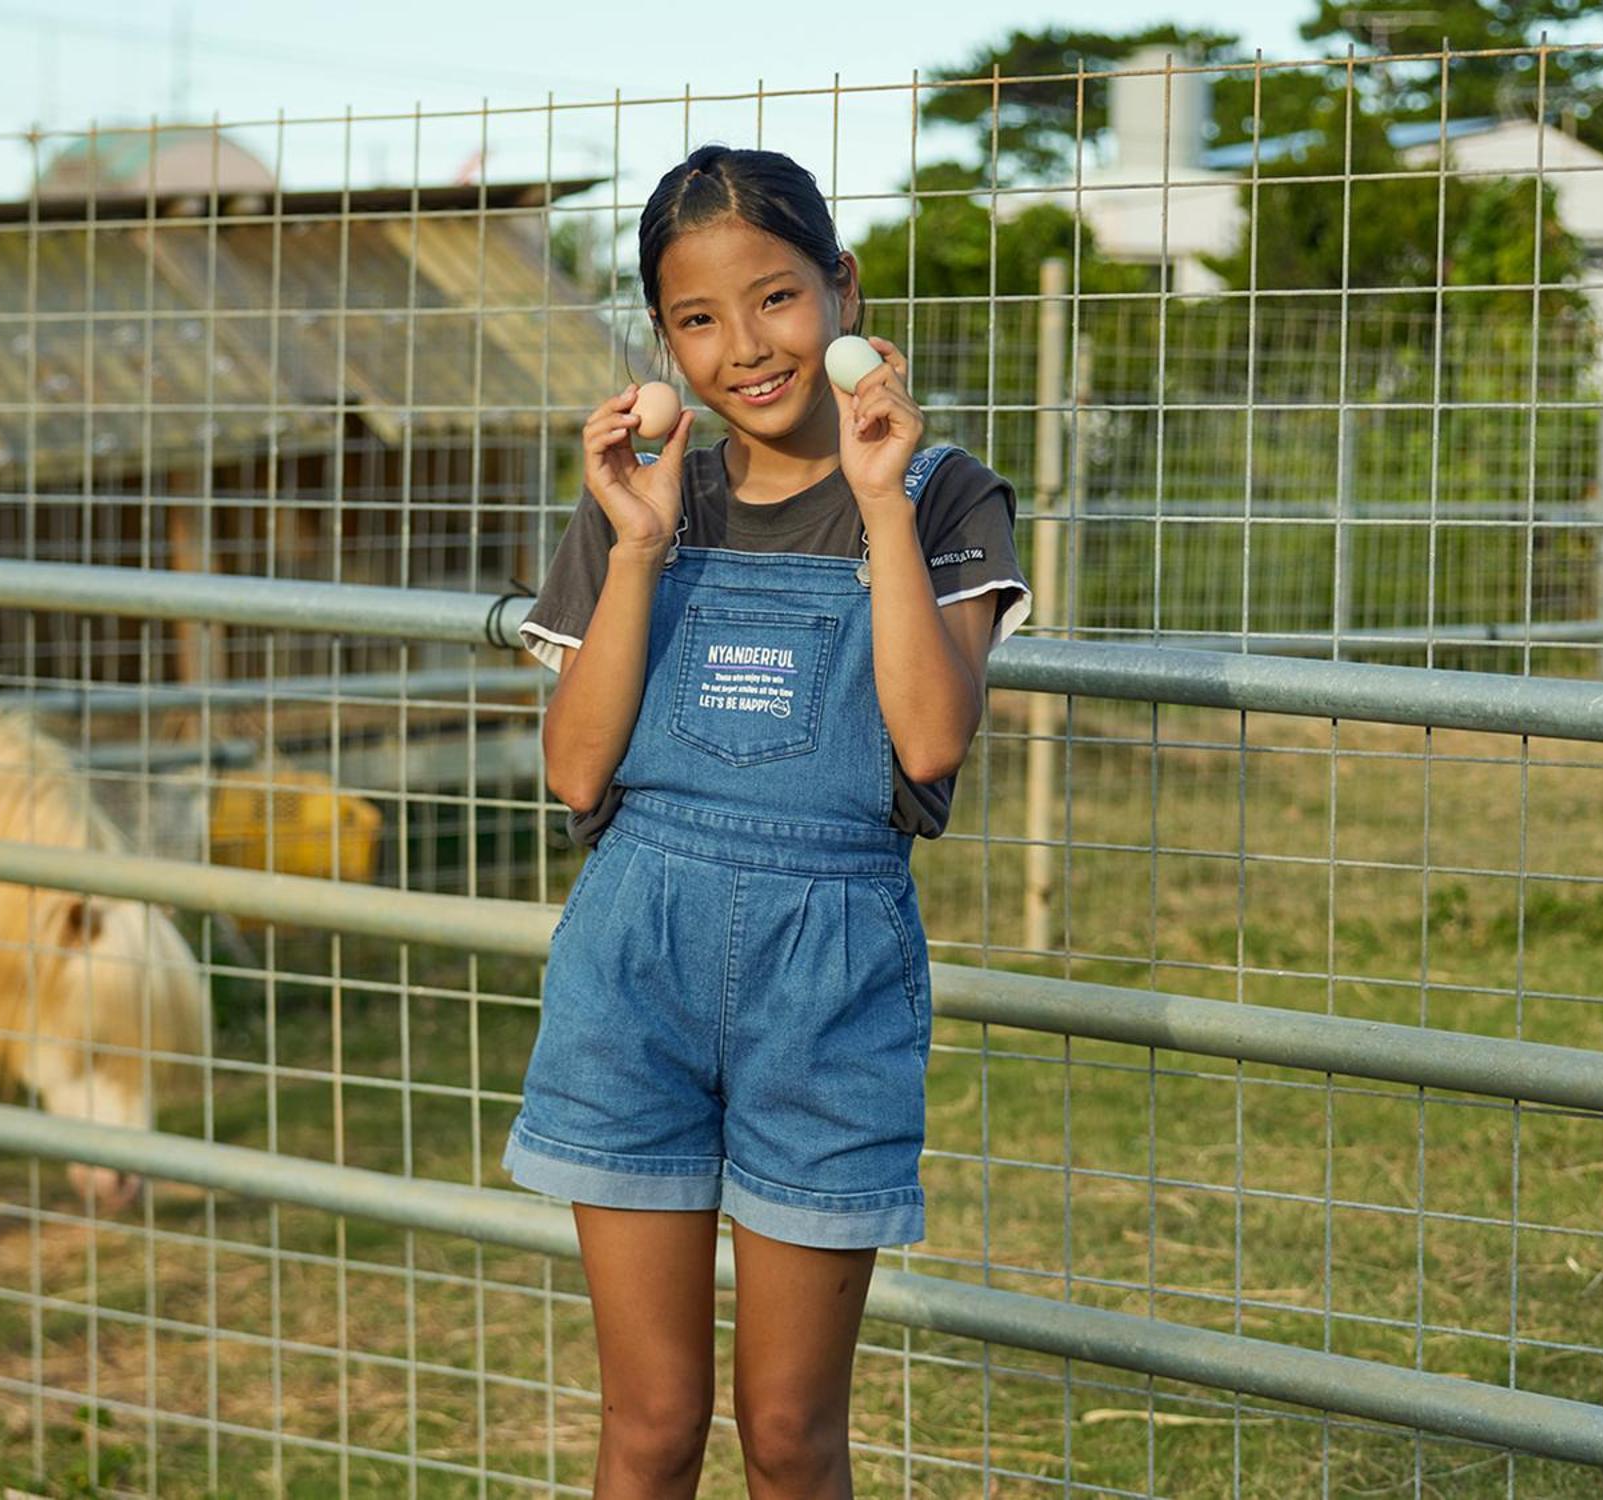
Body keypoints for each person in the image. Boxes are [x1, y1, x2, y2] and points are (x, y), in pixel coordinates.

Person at [501, 143, 1031, 1498]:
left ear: (844, 292)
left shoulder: (944, 494)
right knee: (651, 1429)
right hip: (636, 967)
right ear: (662, 335)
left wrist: (878, 505)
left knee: (791, 1438)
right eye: (697, 317)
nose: (744, 345)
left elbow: (930, 739)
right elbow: (574, 772)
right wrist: (635, 547)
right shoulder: (641, 493)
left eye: (777, 297)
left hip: (828, 978)